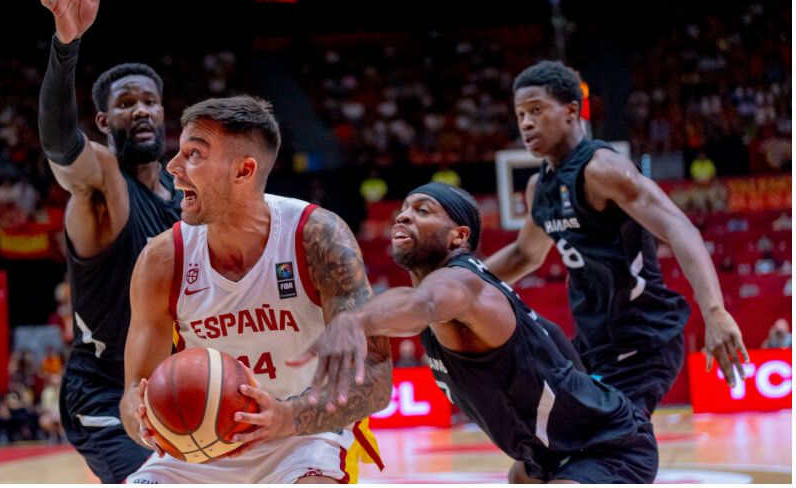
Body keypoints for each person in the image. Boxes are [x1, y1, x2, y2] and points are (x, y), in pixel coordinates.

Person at [295, 183, 658, 483]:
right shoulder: (472, 286)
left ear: (458, 236)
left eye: (423, 210)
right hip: (553, 456)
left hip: (610, 447)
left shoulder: (461, 284)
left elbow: (421, 305)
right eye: (404, 209)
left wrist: (353, 321)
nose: (404, 215)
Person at [121, 96, 391, 484]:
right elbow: (133, 391)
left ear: (243, 170)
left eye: (193, 154)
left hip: (304, 432)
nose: (173, 168)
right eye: (177, 153)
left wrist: (288, 416)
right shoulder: (162, 259)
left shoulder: (317, 238)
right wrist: (142, 417)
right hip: (201, 444)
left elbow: (376, 377)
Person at [484, 61, 748, 418]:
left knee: (600, 458)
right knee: (531, 470)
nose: (526, 122)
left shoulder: (603, 169)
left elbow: (678, 227)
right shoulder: (539, 187)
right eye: (520, 114)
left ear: (571, 111)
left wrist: (715, 311)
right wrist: (460, 279)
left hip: (642, 340)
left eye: (536, 110)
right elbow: (523, 255)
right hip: (593, 344)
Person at [38, 0, 182, 483]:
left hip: (169, 381)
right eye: (125, 104)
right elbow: (58, 144)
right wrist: (65, 47)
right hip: (102, 391)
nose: (140, 110)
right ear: (103, 120)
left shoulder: (184, 194)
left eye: (149, 101)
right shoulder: (103, 183)